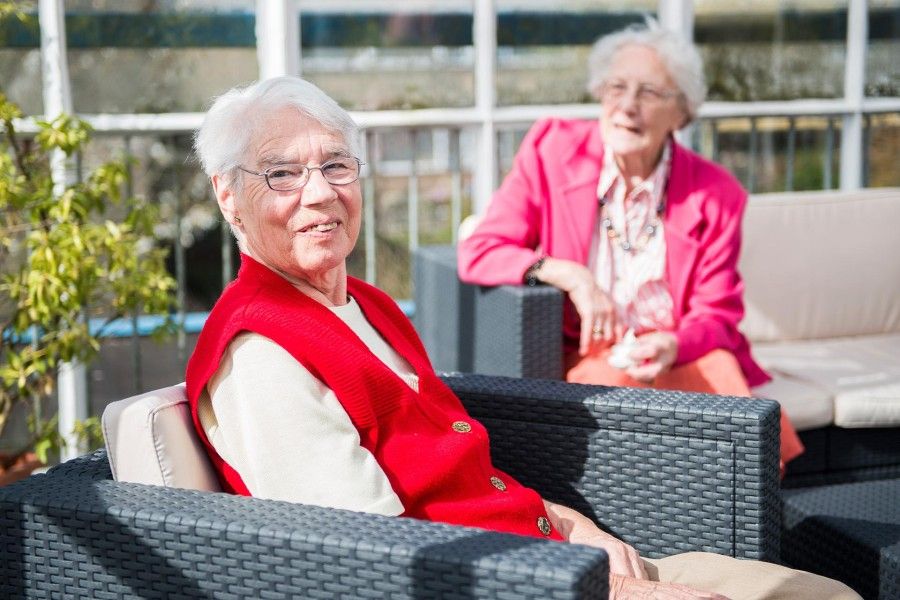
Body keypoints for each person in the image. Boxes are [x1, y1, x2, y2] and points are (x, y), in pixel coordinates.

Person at [185, 75, 857, 600]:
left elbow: (452, 472)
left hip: (548, 553)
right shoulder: (261, 354)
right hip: (517, 583)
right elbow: (375, 561)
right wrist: (598, 581)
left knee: (826, 591)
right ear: (227, 196)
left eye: (337, 165)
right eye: (282, 173)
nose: (320, 193)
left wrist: (570, 522)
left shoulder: (365, 304)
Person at [456, 21, 803, 470]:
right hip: (594, 352)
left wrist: (672, 345)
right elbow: (480, 249)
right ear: (600, 94)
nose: (627, 106)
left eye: (649, 93)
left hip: (678, 350)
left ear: (682, 112)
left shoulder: (717, 194)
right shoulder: (552, 150)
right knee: (614, 398)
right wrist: (567, 273)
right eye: (616, 87)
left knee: (743, 429)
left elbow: (717, 315)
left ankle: (735, 529)